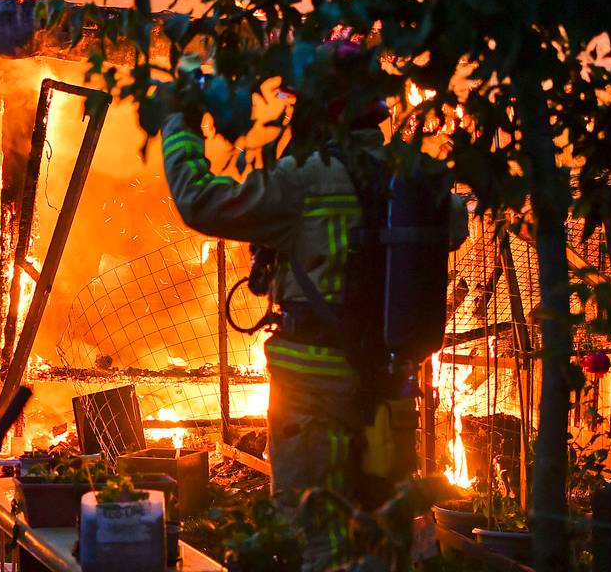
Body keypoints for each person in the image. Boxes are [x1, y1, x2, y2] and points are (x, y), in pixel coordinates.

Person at [162, 80, 461, 571]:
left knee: (319, 539)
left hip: (313, 397)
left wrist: (179, 122)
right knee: (382, 533)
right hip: (388, 392)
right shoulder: (413, 178)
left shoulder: (305, 179)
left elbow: (199, 201)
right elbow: (454, 225)